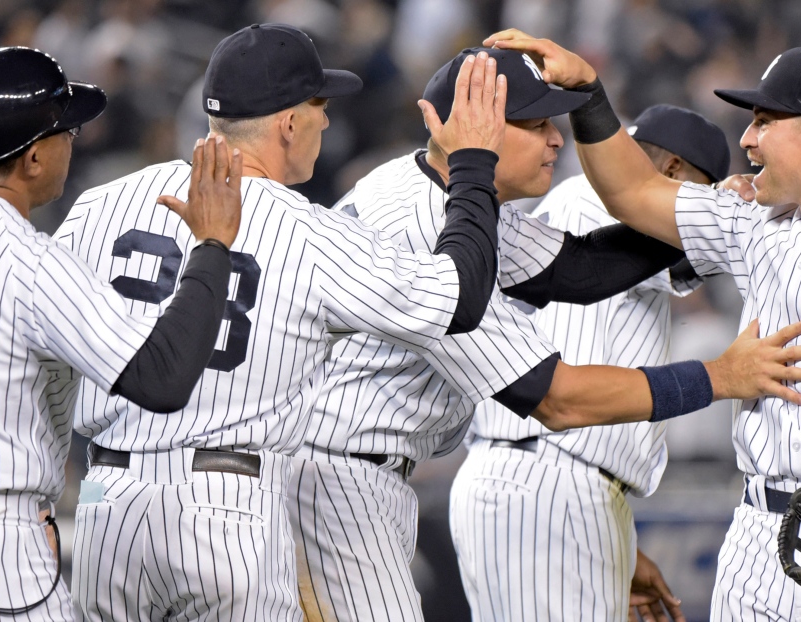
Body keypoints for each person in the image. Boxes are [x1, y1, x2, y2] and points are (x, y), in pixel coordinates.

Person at [289, 47, 801, 622]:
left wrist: (711, 214)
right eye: (537, 123)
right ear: (479, 128)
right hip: (336, 475)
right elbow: (555, 398)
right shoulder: (426, 224)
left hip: (347, 469)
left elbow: (580, 270)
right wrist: (717, 377)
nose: (556, 140)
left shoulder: (445, 194)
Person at [485, 31, 801, 619]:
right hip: (758, 535)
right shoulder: (754, 221)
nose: (746, 138)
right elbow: (631, 190)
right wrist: (589, 94)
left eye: (763, 121)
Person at [54, 24, 509, 621]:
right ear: (289, 123)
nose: (327, 122)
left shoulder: (100, 205)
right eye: (320, 106)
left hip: (105, 499)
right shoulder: (309, 233)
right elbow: (459, 297)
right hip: (230, 505)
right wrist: (474, 163)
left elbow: (41, 360)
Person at [0, 47, 243, 619]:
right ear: (33, 158)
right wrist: (211, 247)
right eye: (66, 131)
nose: (75, 140)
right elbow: (161, 378)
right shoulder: (28, 262)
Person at [449, 103, 730, 622]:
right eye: (703, 194)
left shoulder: (578, 203)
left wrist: (613, 545)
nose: (706, 214)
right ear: (671, 175)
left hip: (536, 482)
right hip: (551, 479)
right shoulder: (601, 201)